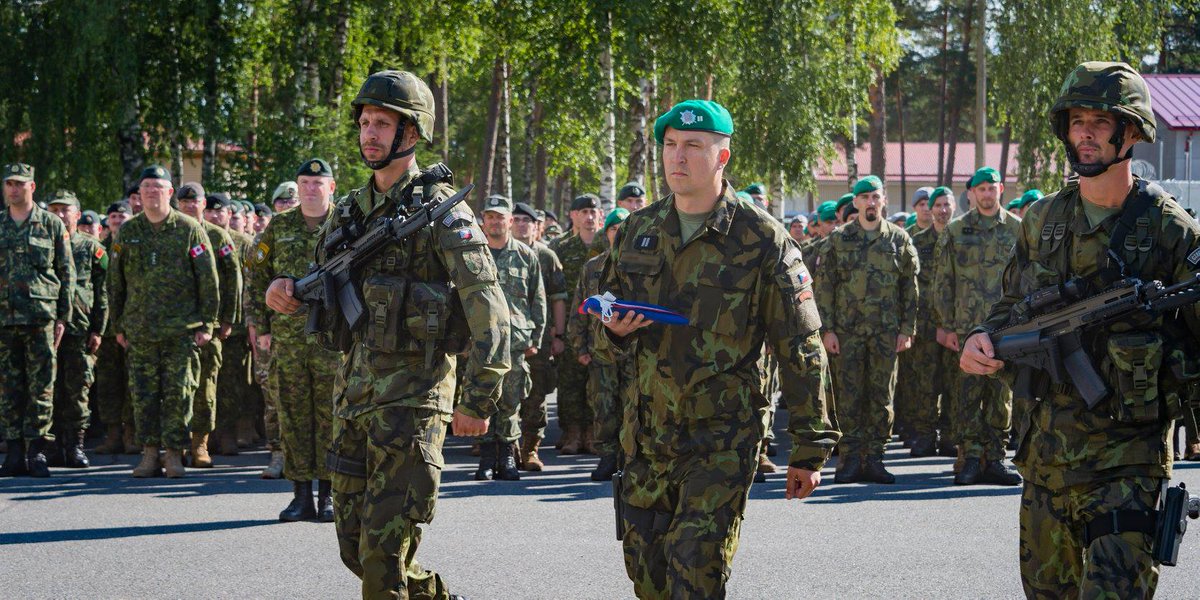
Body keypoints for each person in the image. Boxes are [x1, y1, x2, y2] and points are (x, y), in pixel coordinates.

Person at [265, 69, 509, 600]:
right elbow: (320, 280)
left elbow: (491, 311)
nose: (369, 134)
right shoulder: (349, 211)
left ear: (413, 134)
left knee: (382, 560)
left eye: (384, 124)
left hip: (415, 400)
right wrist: (283, 289)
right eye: (365, 123)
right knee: (355, 548)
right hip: (353, 397)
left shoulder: (443, 213)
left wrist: (479, 398)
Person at [960, 61, 1200, 598]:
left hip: (1127, 470)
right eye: (1076, 121)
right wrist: (982, 339)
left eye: (1099, 120)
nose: (1084, 133)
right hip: (1045, 465)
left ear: (1131, 131)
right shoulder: (1043, 220)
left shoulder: (1169, 229)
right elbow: (1009, 308)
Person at [594, 99, 838, 599]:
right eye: (670, 146)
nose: (677, 158)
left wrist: (810, 448)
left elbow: (801, 347)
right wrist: (611, 331)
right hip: (645, 438)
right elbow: (604, 323)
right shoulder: (638, 231)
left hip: (720, 441)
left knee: (694, 572)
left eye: (694, 147)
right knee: (649, 579)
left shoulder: (762, 238)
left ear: (722, 157)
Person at [108, 165, 219, 478]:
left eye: (158, 188)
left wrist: (206, 324)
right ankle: (148, 454)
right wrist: (118, 325)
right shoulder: (128, 232)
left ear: (170, 193)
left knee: (179, 394)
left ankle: (173, 454)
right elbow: (115, 283)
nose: (152, 193)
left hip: (180, 331)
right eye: (146, 188)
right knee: (142, 395)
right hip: (140, 330)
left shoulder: (189, 229)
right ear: (139, 196)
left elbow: (207, 280)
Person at [249, 158, 344, 521]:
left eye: (317, 183)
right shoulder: (279, 226)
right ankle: (300, 495)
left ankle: (329, 495)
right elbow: (256, 276)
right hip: (288, 340)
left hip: (331, 341)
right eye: (304, 182)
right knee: (293, 416)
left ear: (331, 187)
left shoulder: (344, 225)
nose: (309, 189)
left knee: (332, 417)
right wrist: (262, 327)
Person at [816, 175, 918, 484]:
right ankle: (849, 458)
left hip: (886, 333)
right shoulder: (838, 239)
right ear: (856, 202)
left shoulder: (899, 240)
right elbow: (825, 288)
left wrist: (906, 329)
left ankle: (874, 458)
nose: (871, 202)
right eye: (865, 197)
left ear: (883, 200)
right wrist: (828, 330)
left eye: (875, 196)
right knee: (849, 396)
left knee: (881, 396)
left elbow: (909, 289)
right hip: (847, 333)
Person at [933, 166, 1023, 486]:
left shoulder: (1017, 229)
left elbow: (1027, 280)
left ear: (1001, 190)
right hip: (966, 327)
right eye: (980, 189)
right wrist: (945, 325)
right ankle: (970, 457)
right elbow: (943, 281)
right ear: (972, 193)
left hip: (1006, 328)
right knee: (967, 392)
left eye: (992, 188)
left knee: (1001, 394)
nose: (986, 194)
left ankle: (996, 458)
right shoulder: (956, 230)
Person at [0, 164, 75, 478]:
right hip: (4, 317)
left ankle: (37, 451)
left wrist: (63, 316)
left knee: (42, 387)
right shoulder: (1, 224)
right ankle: (14, 451)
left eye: (20, 184)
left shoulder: (51, 225)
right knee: (8, 387)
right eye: (9, 184)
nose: (14, 189)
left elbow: (66, 272)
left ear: (32, 186)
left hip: (41, 318)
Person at [474, 194, 545, 481]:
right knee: (483, 400)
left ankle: (507, 459)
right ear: (483, 220)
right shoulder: (474, 254)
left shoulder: (526, 256)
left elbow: (537, 300)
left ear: (510, 221)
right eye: (490, 216)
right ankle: (486, 459)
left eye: (500, 217)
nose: (494, 221)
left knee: (511, 402)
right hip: (481, 342)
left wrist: (535, 339)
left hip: (516, 342)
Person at [176, 183, 242, 468]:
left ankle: (200, 444)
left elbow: (232, 280)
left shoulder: (217, 236)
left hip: (208, 325)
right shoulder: (172, 233)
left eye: (195, 202)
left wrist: (227, 319)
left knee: (205, 387)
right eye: (185, 202)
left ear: (203, 204)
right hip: (176, 324)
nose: (190, 206)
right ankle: (174, 443)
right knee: (176, 388)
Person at [567, 207, 632, 481]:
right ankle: (607, 456)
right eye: (614, 228)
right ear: (606, 233)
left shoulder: (643, 268)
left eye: (624, 228)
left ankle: (631, 459)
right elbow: (578, 311)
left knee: (633, 405)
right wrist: (579, 347)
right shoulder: (592, 268)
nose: (619, 233)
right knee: (603, 405)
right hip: (601, 352)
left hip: (634, 352)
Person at [46, 191, 108, 469]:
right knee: (47, 389)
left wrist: (98, 328)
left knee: (77, 389)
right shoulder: (41, 243)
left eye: (65, 209)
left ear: (77, 213)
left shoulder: (92, 247)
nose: (59, 214)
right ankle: (50, 446)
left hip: (79, 328)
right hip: (44, 327)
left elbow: (103, 290)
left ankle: (75, 446)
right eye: (54, 209)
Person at [511, 202, 567, 471]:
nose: (522, 224)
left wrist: (559, 334)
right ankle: (505, 447)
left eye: (527, 221)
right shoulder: (499, 251)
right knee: (504, 395)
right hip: (507, 339)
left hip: (539, 339)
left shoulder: (546, 256)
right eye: (518, 219)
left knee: (536, 396)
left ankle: (530, 449)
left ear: (537, 226)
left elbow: (558, 299)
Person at [903, 187, 957, 457]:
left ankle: (949, 436)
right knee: (924, 383)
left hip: (953, 326)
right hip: (924, 326)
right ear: (930, 209)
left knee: (953, 381)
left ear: (954, 207)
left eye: (947, 205)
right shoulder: (916, 240)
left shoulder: (961, 237)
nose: (942, 210)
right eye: (938, 205)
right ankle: (924, 435)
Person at [549, 194, 603, 454]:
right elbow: (551, 290)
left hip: (600, 328)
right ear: (573, 216)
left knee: (596, 381)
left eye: (593, 212)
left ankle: (593, 432)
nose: (589, 217)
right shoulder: (560, 247)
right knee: (569, 381)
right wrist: (555, 331)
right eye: (583, 212)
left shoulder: (609, 245)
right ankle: (571, 432)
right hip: (570, 326)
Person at [93, 200, 136, 455]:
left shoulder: (136, 245)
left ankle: (132, 433)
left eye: (122, 216)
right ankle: (112, 435)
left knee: (133, 383)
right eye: (113, 217)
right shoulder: (99, 249)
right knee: (109, 384)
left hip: (132, 325)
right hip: (107, 328)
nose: (117, 220)